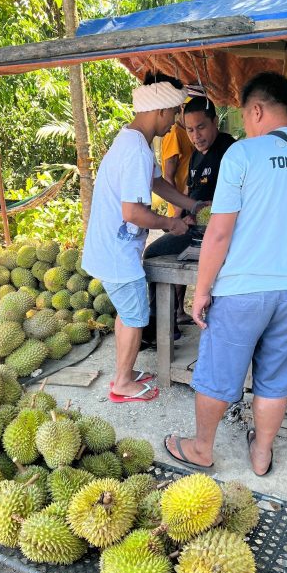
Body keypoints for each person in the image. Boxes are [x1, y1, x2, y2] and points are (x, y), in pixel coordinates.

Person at [163, 72, 287, 477]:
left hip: (242, 290)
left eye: (245, 115)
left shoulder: (242, 155)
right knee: (274, 380)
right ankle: (261, 454)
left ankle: (201, 449)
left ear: (257, 109)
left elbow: (220, 232)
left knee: (216, 375)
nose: (245, 124)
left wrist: (202, 289)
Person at [80, 79, 201, 402]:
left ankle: (126, 372)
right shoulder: (136, 150)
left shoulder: (132, 142)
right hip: (118, 252)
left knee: (127, 314)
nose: (176, 120)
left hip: (110, 248)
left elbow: (157, 182)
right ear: (159, 110)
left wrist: (190, 206)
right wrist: (171, 223)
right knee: (135, 317)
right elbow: (133, 212)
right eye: (174, 112)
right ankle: (122, 383)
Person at [141, 95, 235, 349]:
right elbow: (192, 197)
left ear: (215, 122)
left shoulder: (231, 152)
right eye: (190, 130)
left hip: (220, 237)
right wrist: (179, 218)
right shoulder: (195, 156)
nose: (196, 136)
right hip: (194, 231)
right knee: (153, 253)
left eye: (201, 127)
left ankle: (162, 324)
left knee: (153, 253)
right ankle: (162, 325)